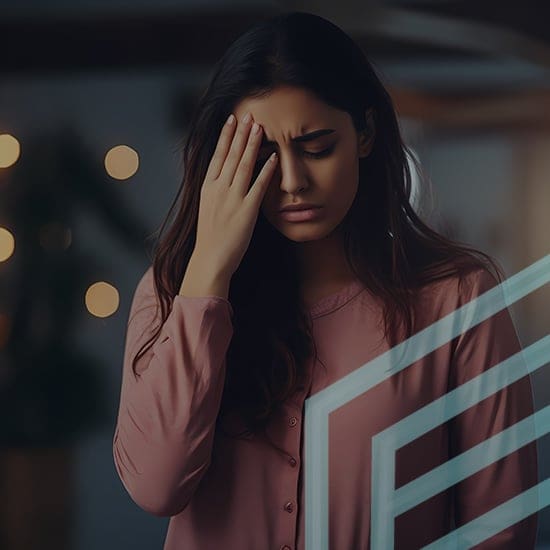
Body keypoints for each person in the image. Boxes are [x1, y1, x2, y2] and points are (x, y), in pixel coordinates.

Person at [112, 11, 539, 550]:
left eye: (317, 148)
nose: (293, 182)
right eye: (263, 157)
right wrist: (209, 273)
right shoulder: (172, 291)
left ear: (364, 133)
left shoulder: (457, 299)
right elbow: (156, 488)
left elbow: (501, 529)